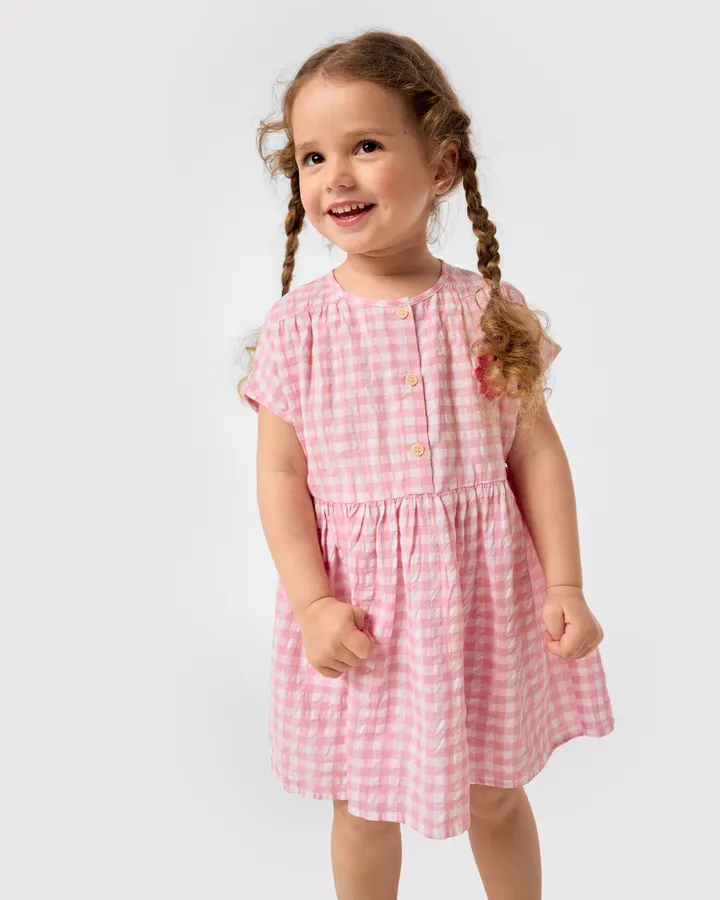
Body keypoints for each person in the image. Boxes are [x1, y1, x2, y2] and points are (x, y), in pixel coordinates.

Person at [237, 28, 614, 900]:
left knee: (496, 792)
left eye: (366, 146)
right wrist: (313, 603)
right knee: (363, 806)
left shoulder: (487, 309)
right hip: (361, 614)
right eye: (313, 156)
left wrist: (565, 583)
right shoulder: (299, 326)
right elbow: (281, 478)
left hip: (483, 601)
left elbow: (536, 451)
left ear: (441, 166)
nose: (336, 175)